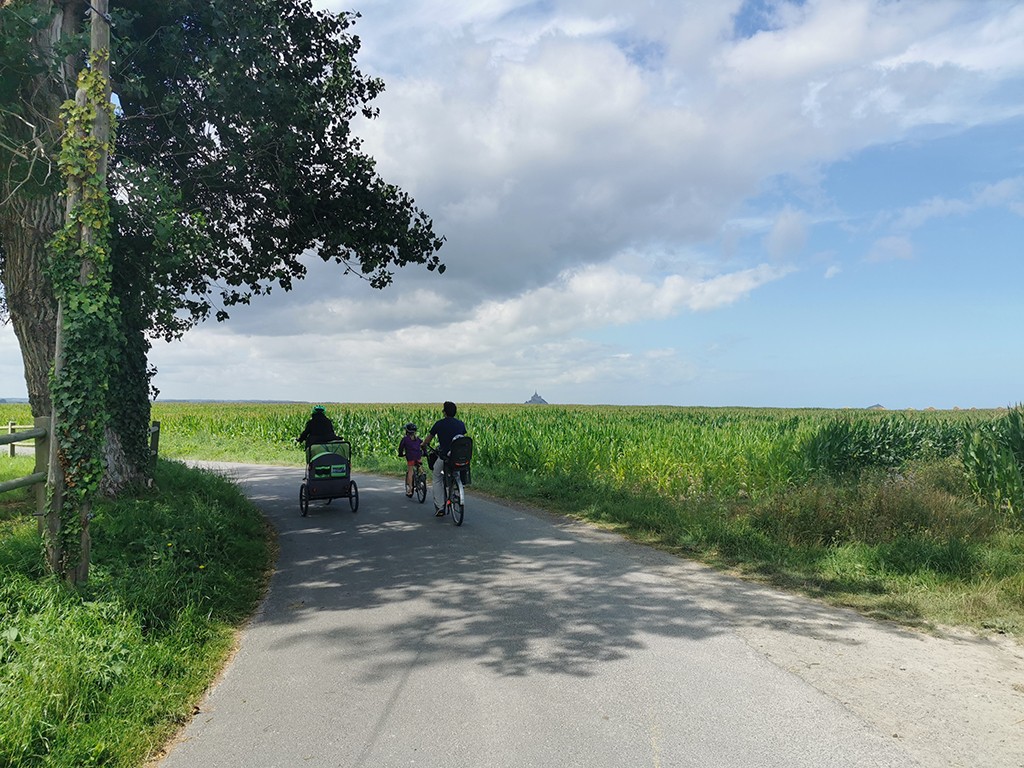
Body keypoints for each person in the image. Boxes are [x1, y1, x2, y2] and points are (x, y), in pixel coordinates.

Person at [421, 401, 467, 515]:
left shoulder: (439, 424)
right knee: (456, 472)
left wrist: (423, 445)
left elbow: (428, 440)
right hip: (457, 458)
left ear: (444, 412)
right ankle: (456, 490)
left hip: (445, 457)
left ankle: (440, 507)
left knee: (437, 477)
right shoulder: (460, 424)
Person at [397, 422, 423, 497]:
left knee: (410, 471)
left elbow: (401, 448)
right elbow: (423, 445)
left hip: (410, 457)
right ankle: (422, 475)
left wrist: (400, 454)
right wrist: (424, 453)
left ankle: (410, 489)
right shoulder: (418, 439)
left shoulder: (405, 439)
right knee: (419, 465)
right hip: (418, 456)